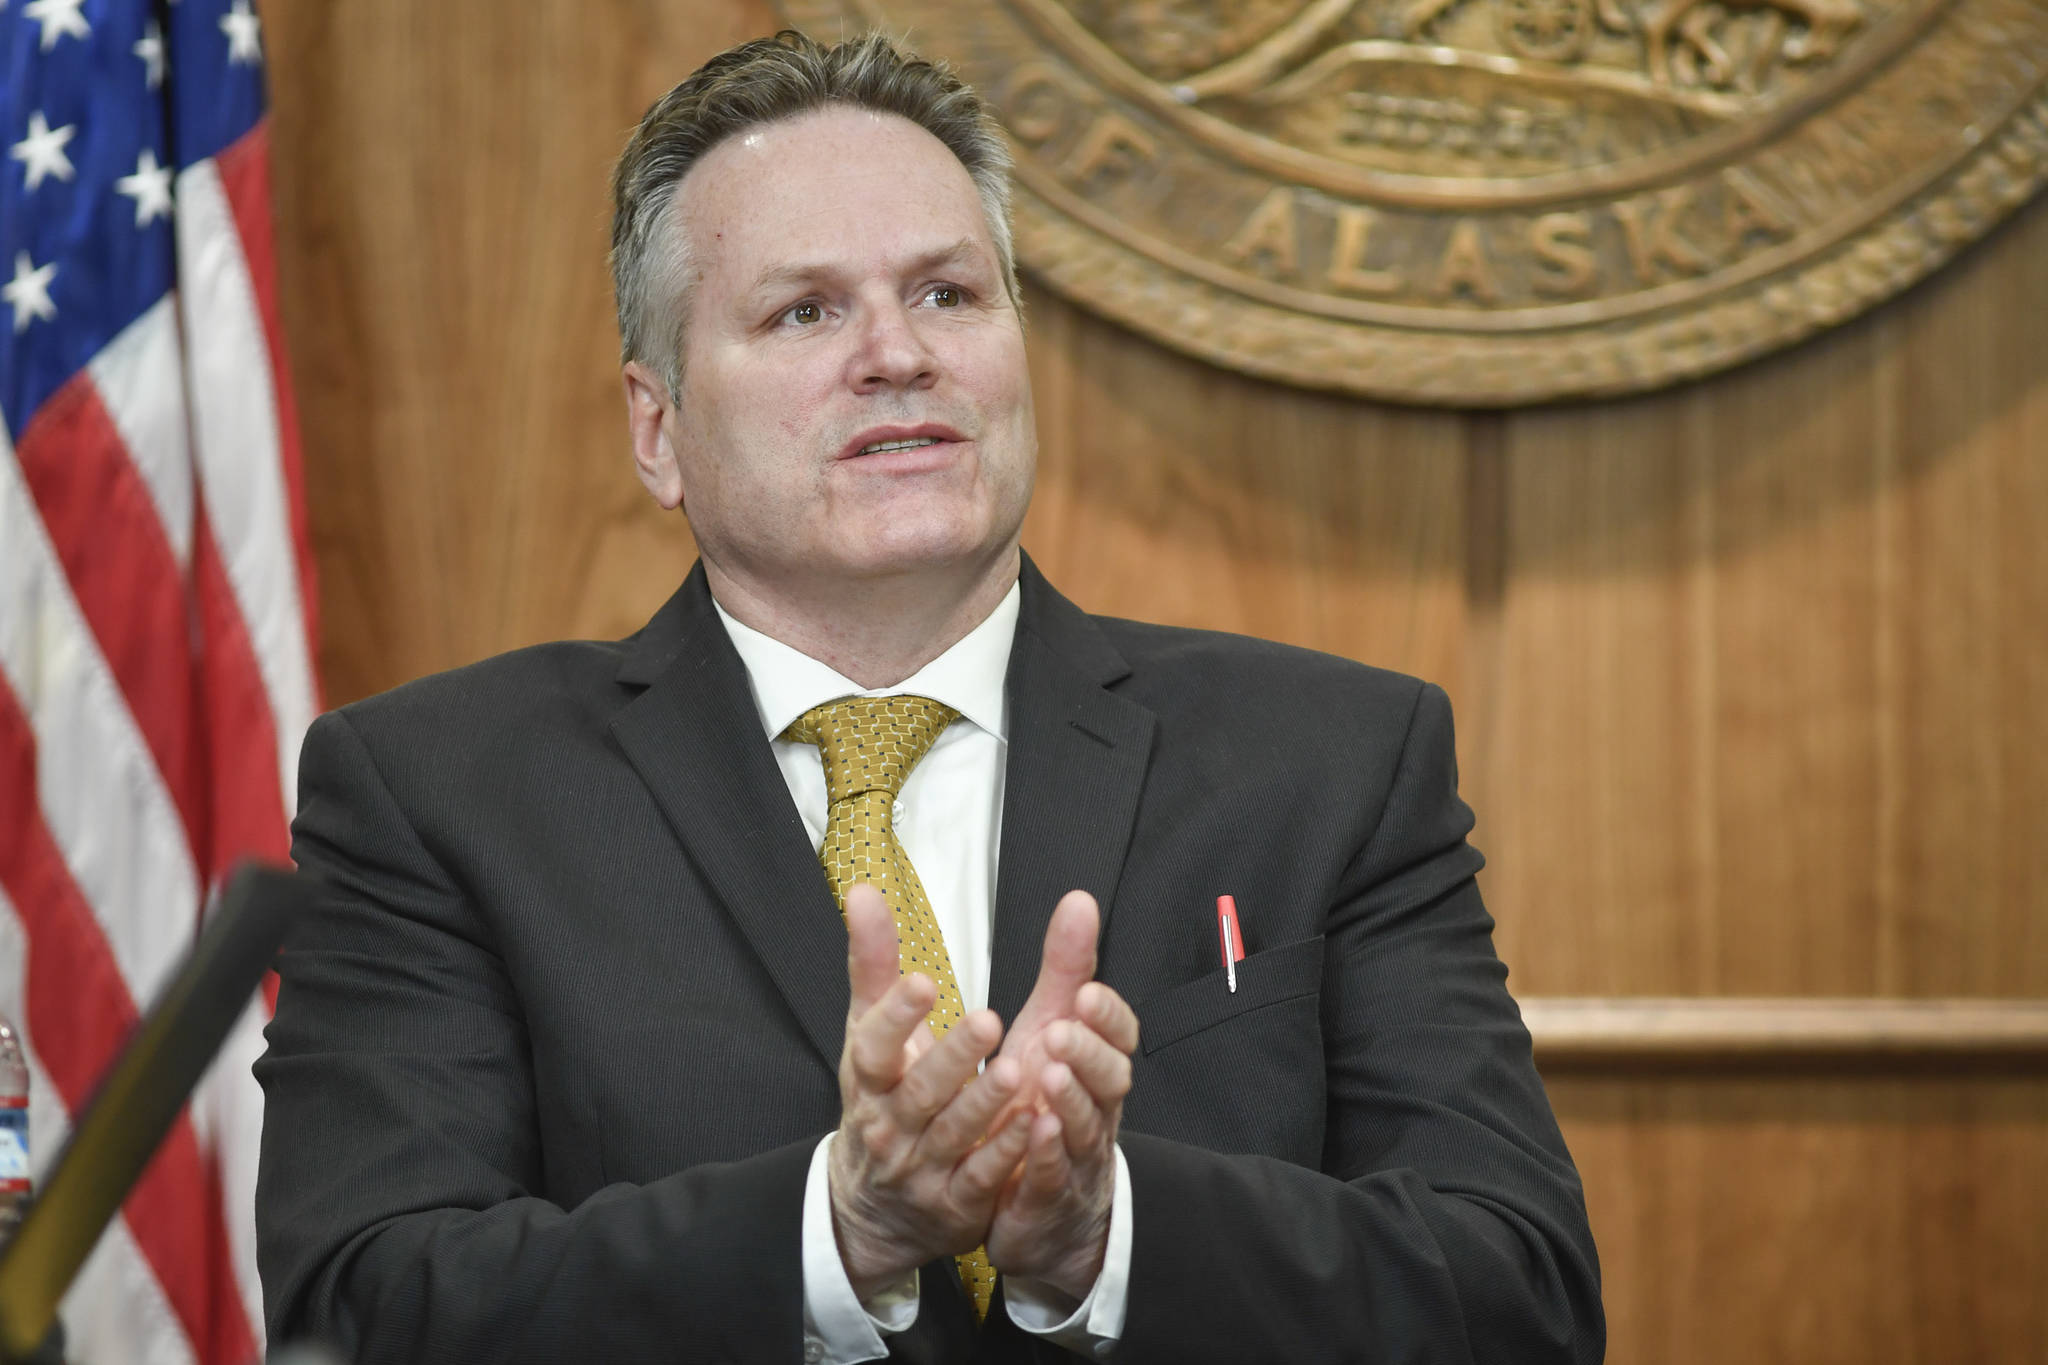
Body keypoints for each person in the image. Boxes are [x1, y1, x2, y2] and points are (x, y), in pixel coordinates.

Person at [255, 30, 1603, 1365]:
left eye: (949, 293)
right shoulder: (437, 795)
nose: (897, 354)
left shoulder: (1335, 761)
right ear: (656, 428)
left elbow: (1521, 1295)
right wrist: (832, 1232)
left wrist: (1107, 1237)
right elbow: (364, 1304)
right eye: (806, 310)